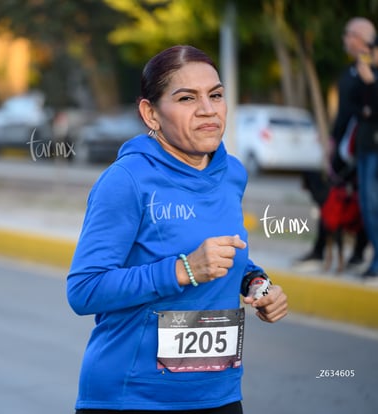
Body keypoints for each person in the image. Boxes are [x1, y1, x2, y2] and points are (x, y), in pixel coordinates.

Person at [67, 45, 288, 414]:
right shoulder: (126, 180)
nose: (207, 109)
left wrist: (257, 285)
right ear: (150, 113)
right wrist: (182, 271)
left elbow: (228, 254)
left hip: (219, 393)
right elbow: (83, 290)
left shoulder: (231, 173)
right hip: (132, 397)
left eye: (215, 95)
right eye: (187, 98)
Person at [297, 17, 374, 268]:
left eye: (348, 34)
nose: (344, 39)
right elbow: (346, 113)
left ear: (361, 38)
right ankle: (325, 250)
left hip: (365, 146)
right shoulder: (352, 70)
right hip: (350, 147)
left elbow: (368, 108)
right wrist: (332, 139)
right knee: (345, 199)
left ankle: (362, 255)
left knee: (367, 201)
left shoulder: (369, 70)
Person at [353, 35, 378, 277]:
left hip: (374, 149)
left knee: (372, 205)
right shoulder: (367, 75)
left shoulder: (372, 79)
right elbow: (362, 110)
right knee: (366, 206)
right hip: (364, 147)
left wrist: (371, 84)